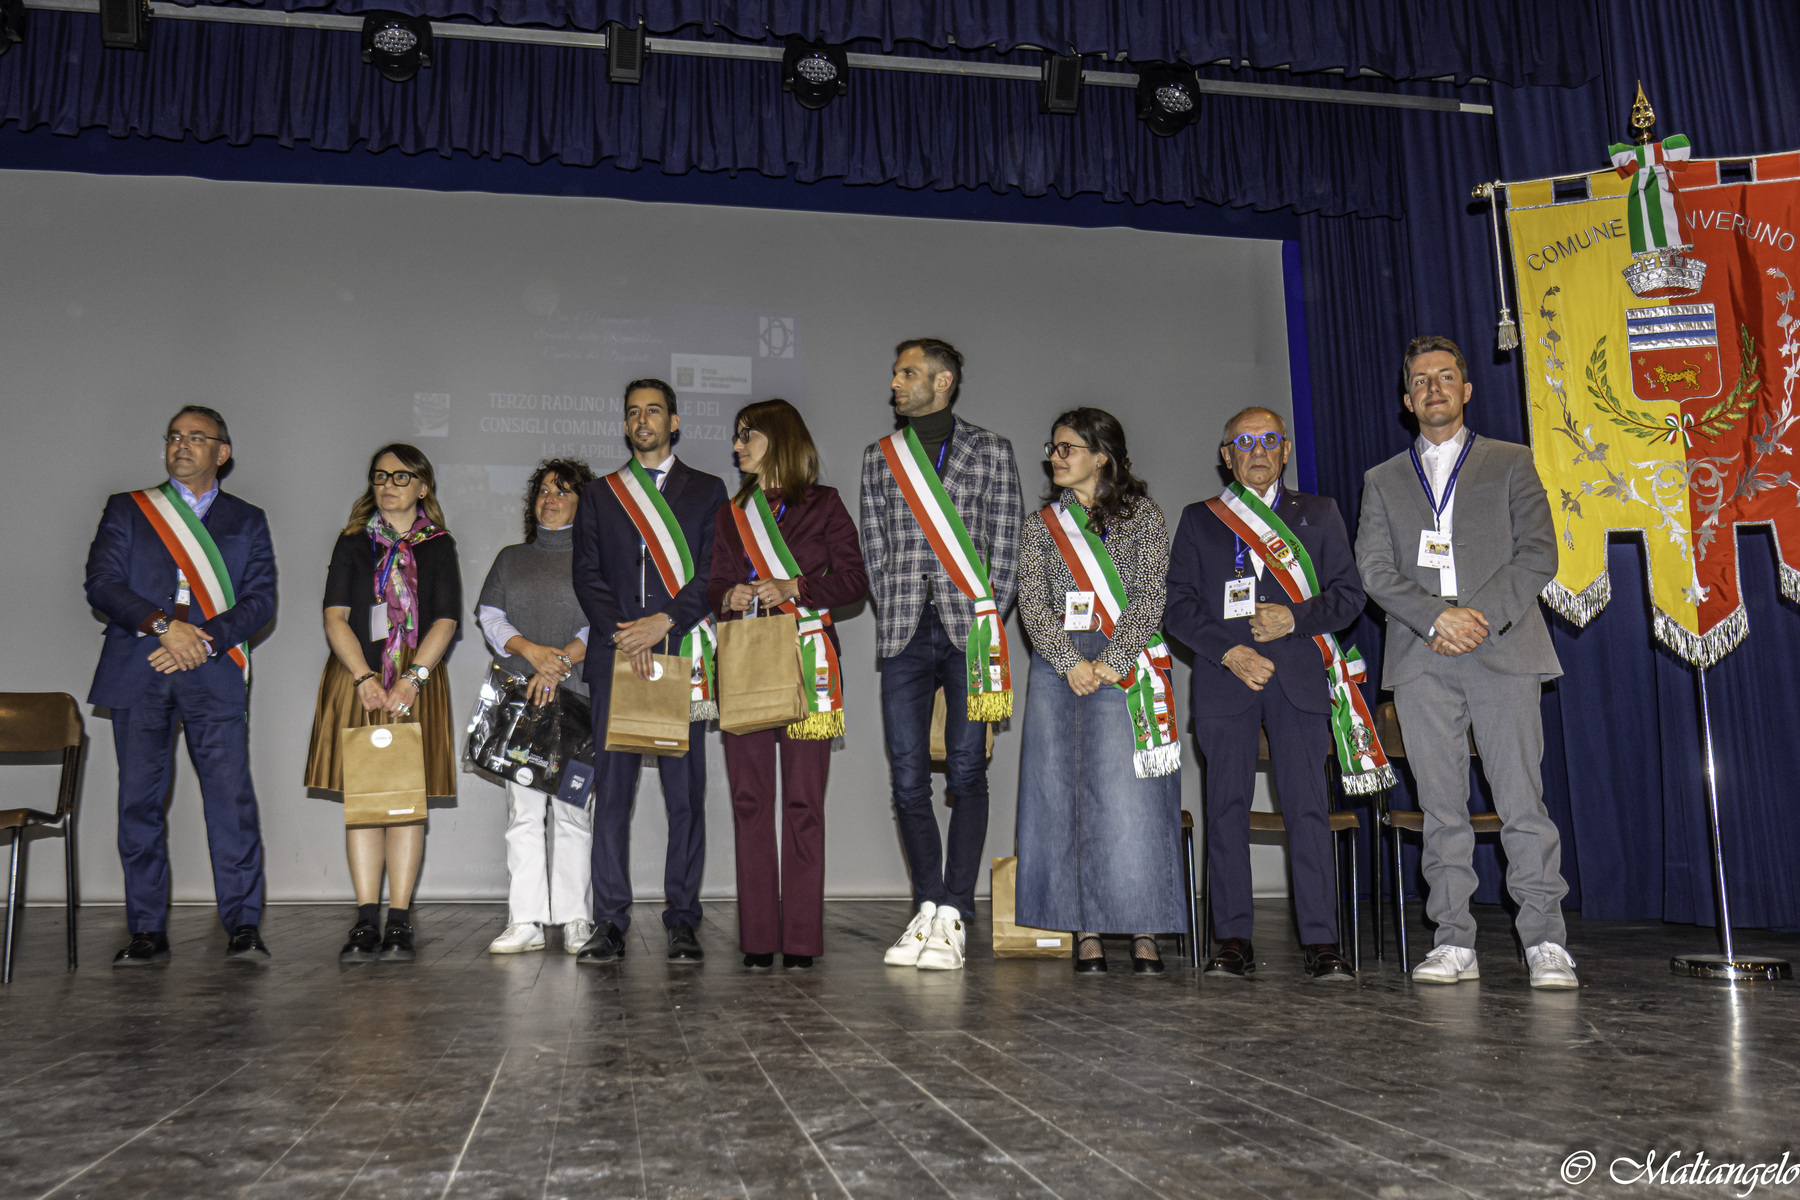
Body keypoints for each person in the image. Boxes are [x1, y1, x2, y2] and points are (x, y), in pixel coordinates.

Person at [1354, 335, 1577, 989]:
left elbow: (1538, 552)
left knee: (1522, 804)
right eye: (1421, 380)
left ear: (1466, 389)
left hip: (1503, 650)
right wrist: (1435, 618)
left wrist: (1475, 617)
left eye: (1445, 376)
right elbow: (1373, 569)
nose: (1434, 388)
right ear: (1407, 399)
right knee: (1441, 810)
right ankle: (1453, 940)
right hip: (1421, 656)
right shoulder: (1382, 479)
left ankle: (1545, 941)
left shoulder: (1511, 461)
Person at [1164, 407, 1378, 981]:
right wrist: (1229, 652)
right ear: (1226, 456)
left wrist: (1295, 618)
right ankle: (1233, 939)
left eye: (1268, 440)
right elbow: (1177, 606)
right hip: (1225, 679)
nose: (1256, 450)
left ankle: (1322, 941)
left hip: (1299, 681)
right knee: (1225, 811)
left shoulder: (1319, 512)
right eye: (1243, 442)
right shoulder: (1200, 519)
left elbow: (1350, 595)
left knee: (1308, 810)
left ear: (1284, 451)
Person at [84, 406, 275, 966]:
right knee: (138, 804)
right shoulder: (129, 508)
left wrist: (203, 641)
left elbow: (260, 600)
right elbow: (102, 583)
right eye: (174, 436)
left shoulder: (247, 519)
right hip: (139, 669)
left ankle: (243, 924)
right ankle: (146, 928)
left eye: (196, 437)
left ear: (222, 453)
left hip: (212, 673)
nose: (182, 445)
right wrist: (164, 627)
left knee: (230, 802)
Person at [861, 337, 1023, 972]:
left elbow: (1006, 542)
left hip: (969, 632)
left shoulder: (991, 450)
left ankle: (955, 909)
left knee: (965, 771)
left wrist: (988, 614)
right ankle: (926, 905)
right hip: (904, 631)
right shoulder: (881, 457)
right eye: (896, 373)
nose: (896, 383)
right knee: (906, 777)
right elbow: (875, 546)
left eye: (908, 373)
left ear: (943, 380)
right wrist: (896, 604)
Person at [1014, 408, 1184, 975]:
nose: (1055, 457)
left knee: (1134, 801)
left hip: (1125, 663)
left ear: (1102, 455)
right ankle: (1083, 928)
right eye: (1053, 447)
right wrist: (1069, 661)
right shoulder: (1041, 524)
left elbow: (1151, 592)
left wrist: (1113, 658)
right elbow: (1032, 601)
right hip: (1059, 669)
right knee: (1063, 796)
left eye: (1068, 448)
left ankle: (1143, 928)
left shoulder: (1143, 515)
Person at [572, 378, 728, 964]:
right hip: (617, 657)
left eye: (654, 411)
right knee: (612, 797)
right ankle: (609, 921)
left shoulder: (708, 490)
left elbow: (713, 571)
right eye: (634, 412)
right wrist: (625, 633)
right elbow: (586, 573)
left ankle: (683, 919)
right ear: (625, 424)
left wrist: (663, 622)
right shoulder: (599, 493)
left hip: (680, 652)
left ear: (674, 422)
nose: (643, 420)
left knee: (684, 798)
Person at [708, 400, 868, 971]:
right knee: (749, 800)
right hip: (747, 662)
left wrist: (796, 586)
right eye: (736, 437)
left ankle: (800, 939)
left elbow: (855, 580)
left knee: (803, 803)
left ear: (777, 439)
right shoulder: (731, 513)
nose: (737, 447)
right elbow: (713, 583)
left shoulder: (823, 504)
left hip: (808, 663)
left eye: (746, 436)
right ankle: (757, 936)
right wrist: (728, 595)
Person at [305, 443, 461, 964]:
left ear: (422, 486)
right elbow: (335, 617)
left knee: (405, 805)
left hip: (415, 683)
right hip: (360, 679)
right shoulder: (353, 541)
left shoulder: (439, 545)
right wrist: (364, 677)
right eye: (379, 476)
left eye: (400, 476)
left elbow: (446, 620)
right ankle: (365, 918)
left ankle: (399, 920)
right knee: (367, 804)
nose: (387, 484)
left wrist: (414, 679)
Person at [477, 459, 599, 955]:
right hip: (519, 699)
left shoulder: (595, 560)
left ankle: (575, 919)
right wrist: (533, 655)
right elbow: (490, 617)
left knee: (573, 815)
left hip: (578, 700)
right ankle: (524, 920)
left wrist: (560, 662)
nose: (550, 499)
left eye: (563, 491)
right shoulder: (511, 558)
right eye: (544, 490)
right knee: (523, 816)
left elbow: (601, 623)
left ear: (581, 504)